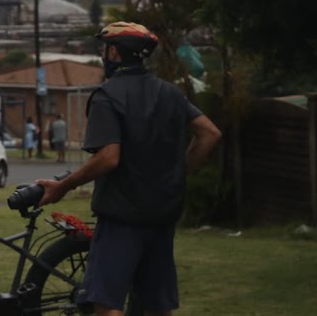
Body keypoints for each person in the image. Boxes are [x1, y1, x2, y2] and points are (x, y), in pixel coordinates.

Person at [35, 22, 221, 316]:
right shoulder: (170, 93)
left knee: (107, 304)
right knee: (156, 305)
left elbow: (109, 157)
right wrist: (180, 172)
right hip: (162, 214)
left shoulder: (107, 96)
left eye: (104, 50)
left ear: (115, 53)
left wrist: (63, 186)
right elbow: (210, 133)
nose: (102, 56)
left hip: (122, 217)